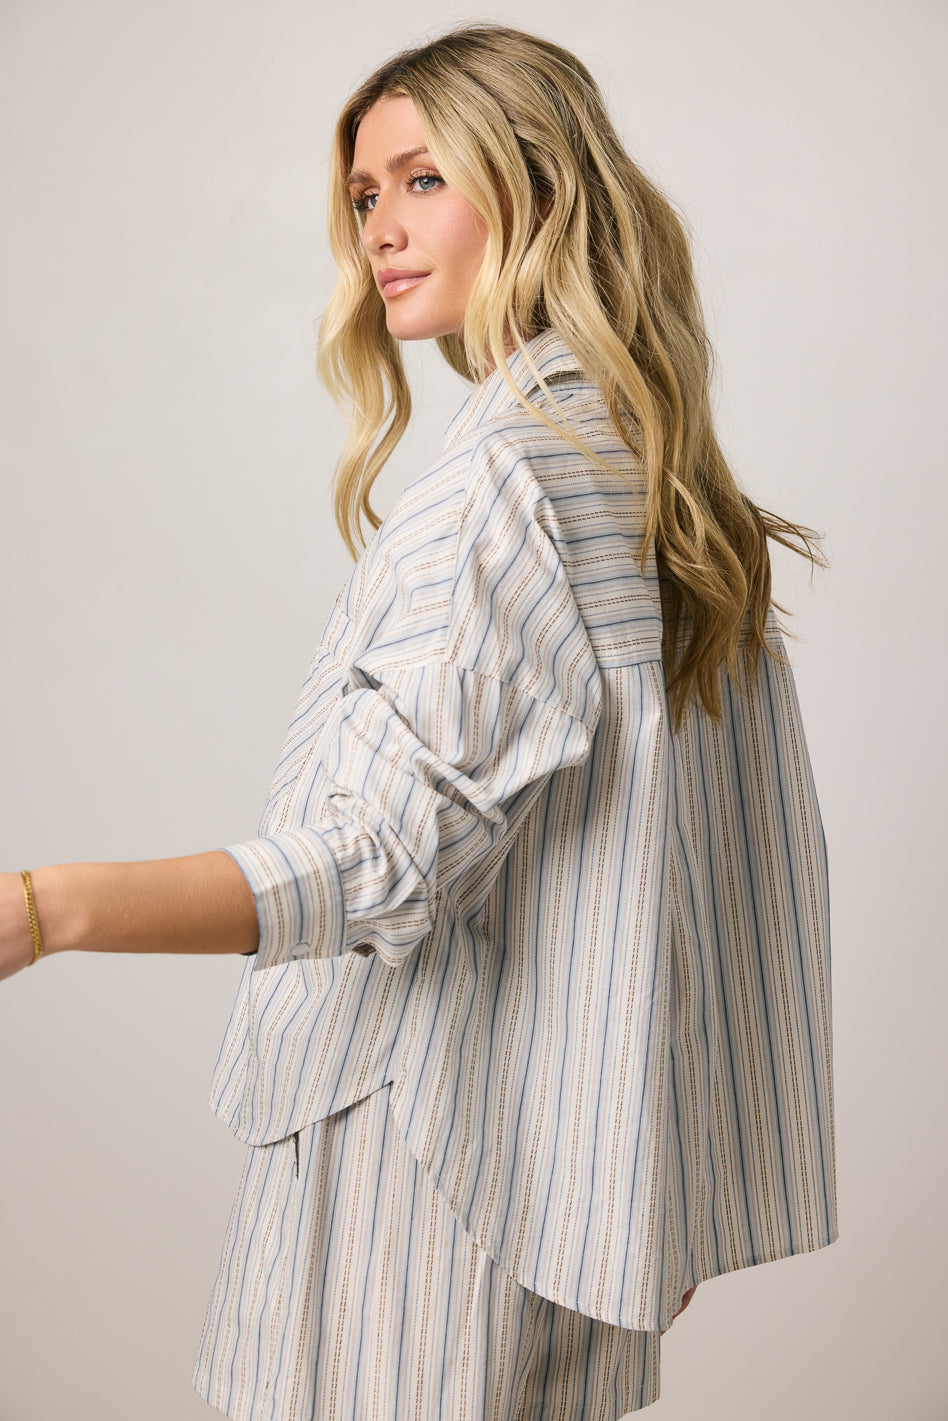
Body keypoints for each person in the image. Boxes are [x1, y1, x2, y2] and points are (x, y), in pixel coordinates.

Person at [1, 23, 837, 1421]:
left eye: (422, 179)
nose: (378, 229)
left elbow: (385, 861)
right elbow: (710, 882)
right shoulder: (654, 475)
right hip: (563, 1174)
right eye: (363, 194)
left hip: (429, 1152)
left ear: (540, 187)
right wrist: (654, 1178)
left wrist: (46, 908)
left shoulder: (509, 476)